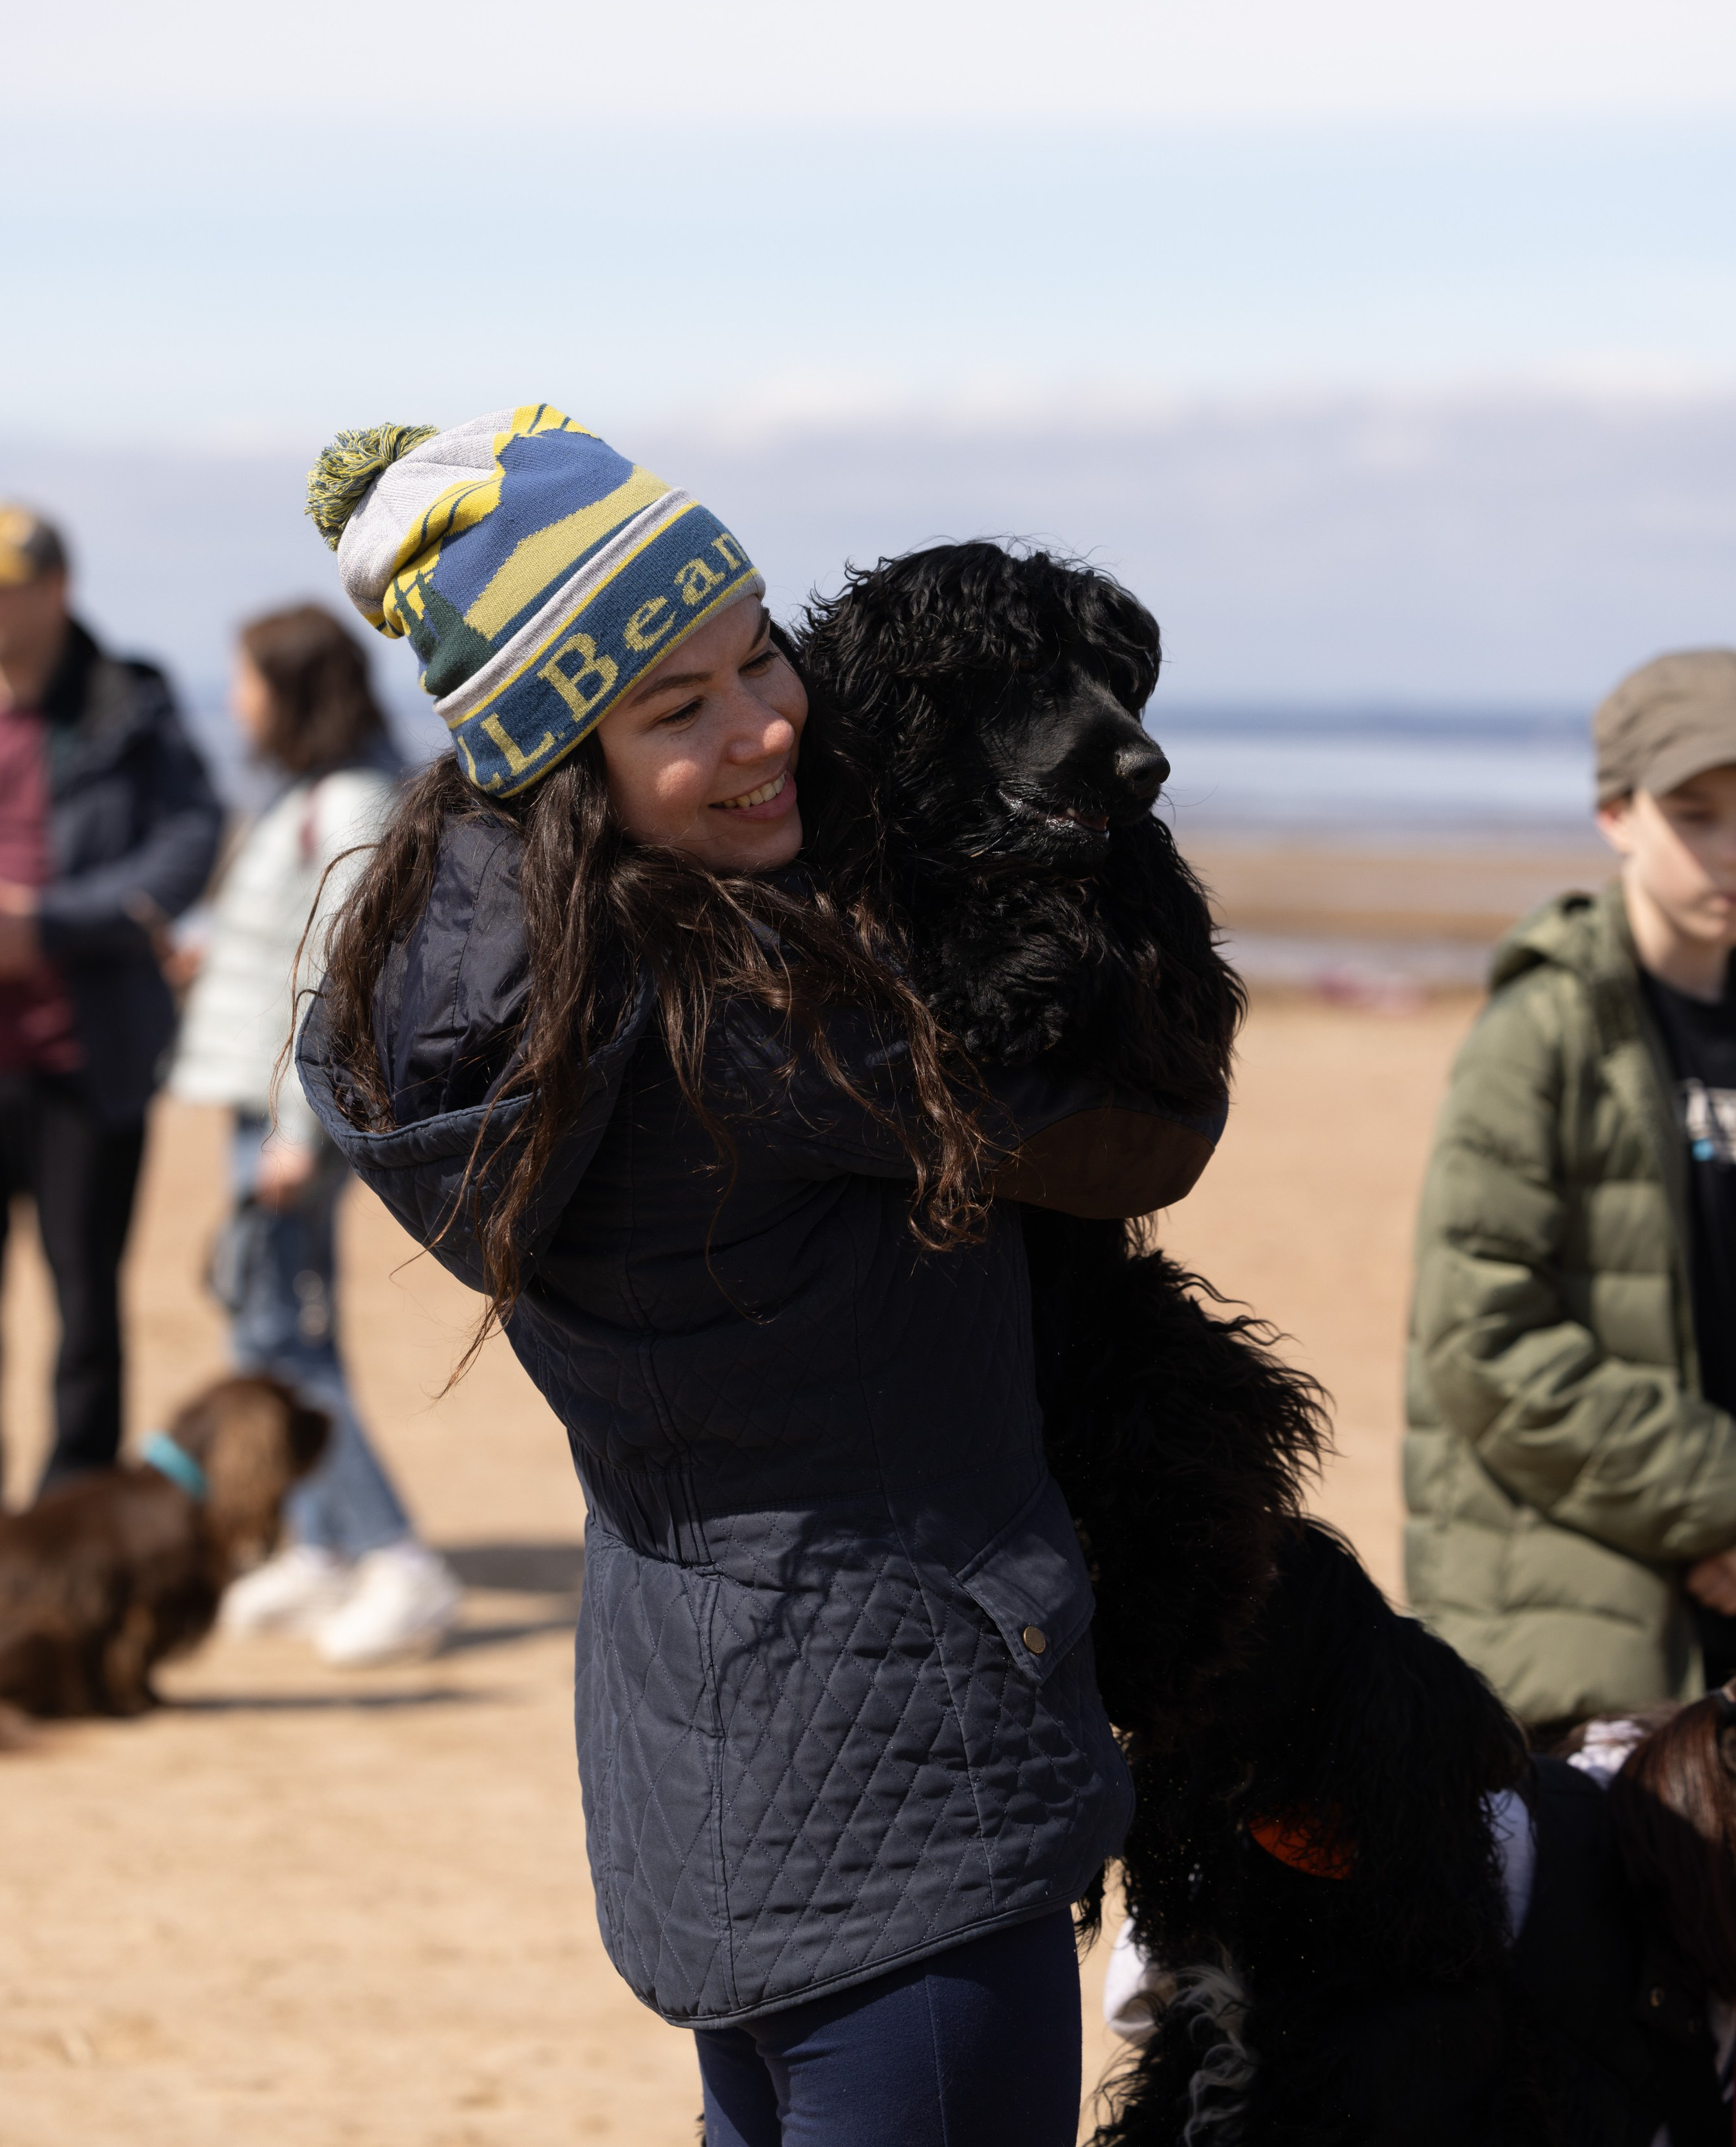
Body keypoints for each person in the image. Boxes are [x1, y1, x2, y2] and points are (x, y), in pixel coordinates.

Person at [291, 408, 1217, 2147]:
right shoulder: (757, 1030)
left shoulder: (506, 990)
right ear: (556, 755)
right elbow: (1141, 1128)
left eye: (759, 652)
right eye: (676, 707)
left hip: (703, 1754)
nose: (767, 722)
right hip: (909, 1770)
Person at [1407, 649, 1736, 1732]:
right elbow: (1483, 1344)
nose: (1730, 850)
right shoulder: (1539, 1033)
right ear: (1616, 813)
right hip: (1580, 1629)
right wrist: (1719, 1502)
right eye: (1697, 813)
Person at [168, 603, 460, 1666]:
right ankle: (322, 1547)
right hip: (262, 1100)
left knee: (278, 1339)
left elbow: (334, 983)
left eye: (246, 679)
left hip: (293, 1116)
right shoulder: (305, 791)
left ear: (289, 687)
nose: (235, 699)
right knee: (287, 1325)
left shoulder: (346, 799)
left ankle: (397, 1560)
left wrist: (300, 1133)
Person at [0, 502, 221, 1507]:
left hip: (87, 1058)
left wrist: (50, 922)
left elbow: (189, 840)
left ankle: (73, 1512)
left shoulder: (131, 703)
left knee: (86, 1304)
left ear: (55, 591)